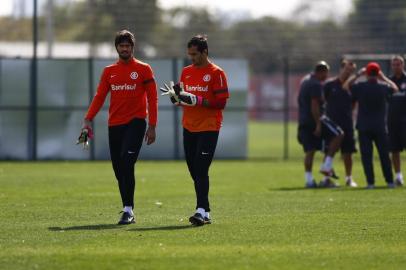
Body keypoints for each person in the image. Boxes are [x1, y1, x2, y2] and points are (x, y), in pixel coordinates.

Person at [77, 30, 158, 224]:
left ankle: (128, 210)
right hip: (115, 124)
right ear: (117, 48)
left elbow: (152, 98)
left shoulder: (144, 69)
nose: (124, 49)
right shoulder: (109, 71)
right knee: (118, 168)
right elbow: (99, 97)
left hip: (137, 122)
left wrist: (152, 125)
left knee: (127, 162)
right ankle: (127, 207)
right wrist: (87, 119)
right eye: (121, 46)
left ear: (132, 47)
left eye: (127, 46)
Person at [161, 35, 229, 226]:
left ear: (205, 52)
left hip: (209, 127)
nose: (191, 58)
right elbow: (183, 99)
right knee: (194, 170)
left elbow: (221, 103)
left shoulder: (217, 73)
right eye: (189, 54)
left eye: (194, 54)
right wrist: (175, 97)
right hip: (188, 126)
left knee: (200, 168)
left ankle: (199, 211)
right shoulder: (186, 72)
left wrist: (200, 100)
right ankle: (205, 211)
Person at [343, 62, 398, 189]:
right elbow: (395, 88)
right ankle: (389, 181)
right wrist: (383, 77)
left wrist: (357, 74)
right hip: (380, 127)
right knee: (384, 155)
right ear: (378, 73)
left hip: (364, 127)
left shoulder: (360, 86)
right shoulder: (383, 87)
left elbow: (345, 86)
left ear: (367, 73)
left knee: (367, 156)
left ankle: (370, 182)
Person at [297, 61, 344, 188]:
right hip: (314, 120)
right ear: (321, 72)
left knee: (310, 151)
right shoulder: (315, 84)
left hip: (303, 120)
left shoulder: (305, 80)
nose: (327, 76)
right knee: (339, 134)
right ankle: (326, 166)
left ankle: (309, 180)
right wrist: (318, 124)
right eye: (326, 73)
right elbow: (314, 105)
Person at [322, 59, 358, 187]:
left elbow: (353, 104)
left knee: (348, 153)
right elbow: (323, 101)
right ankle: (326, 179)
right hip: (332, 123)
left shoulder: (353, 87)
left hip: (347, 123)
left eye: (351, 71)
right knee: (328, 151)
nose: (348, 72)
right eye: (347, 69)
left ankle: (349, 178)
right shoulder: (330, 85)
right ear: (341, 69)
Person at [388, 56, 406, 186]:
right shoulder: (388, 82)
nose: (396, 67)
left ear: (403, 65)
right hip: (392, 121)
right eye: (394, 65)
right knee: (394, 150)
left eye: (398, 64)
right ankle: (398, 176)